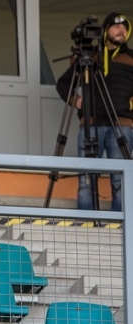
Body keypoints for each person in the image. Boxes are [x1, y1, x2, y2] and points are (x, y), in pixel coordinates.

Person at [56, 13, 133, 211]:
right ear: (106, 31)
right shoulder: (89, 58)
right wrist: (76, 101)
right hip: (91, 125)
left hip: (122, 125)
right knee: (86, 181)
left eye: (125, 27)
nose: (122, 31)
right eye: (116, 27)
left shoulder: (131, 58)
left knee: (121, 182)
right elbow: (63, 84)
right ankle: (87, 225)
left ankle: (121, 227)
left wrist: (130, 105)